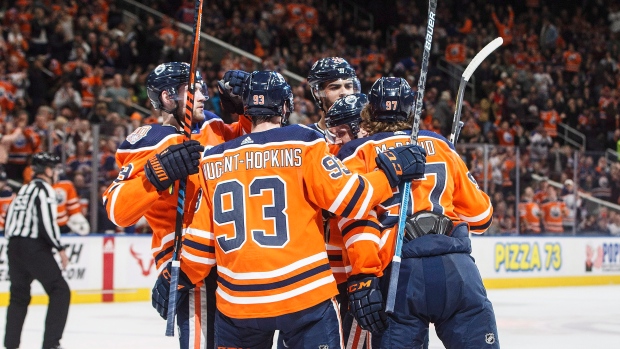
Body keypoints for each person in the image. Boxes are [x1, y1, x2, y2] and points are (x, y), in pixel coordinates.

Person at [151, 70, 426, 348]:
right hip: (304, 297)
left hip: (239, 304)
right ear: (284, 107)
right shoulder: (303, 141)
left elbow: (201, 243)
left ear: (247, 108)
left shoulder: (213, 157)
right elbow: (350, 199)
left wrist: (176, 277)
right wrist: (390, 171)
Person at [335, 77, 499, 348]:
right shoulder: (441, 145)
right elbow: (482, 217)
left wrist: (362, 277)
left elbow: (357, 219)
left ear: (370, 112)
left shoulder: (356, 153)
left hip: (399, 274)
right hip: (456, 269)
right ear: (412, 111)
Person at [103, 62, 251, 349]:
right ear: (169, 98)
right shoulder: (150, 140)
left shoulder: (215, 127)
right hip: (188, 266)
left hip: (236, 259)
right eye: (194, 90)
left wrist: (246, 107)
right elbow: (117, 210)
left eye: (204, 88)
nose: (205, 96)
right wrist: (156, 174)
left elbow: (253, 145)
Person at [4, 152, 71, 349]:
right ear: (48, 170)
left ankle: (10, 345)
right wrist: (59, 248)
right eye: (55, 169)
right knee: (60, 291)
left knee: (18, 296)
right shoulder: (45, 190)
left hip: (13, 247)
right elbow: (47, 223)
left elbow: (9, 222)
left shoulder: (23, 190)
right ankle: (51, 344)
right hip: (33, 247)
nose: (57, 173)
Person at [307, 56, 361, 149]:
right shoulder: (307, 138)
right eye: (335, 87)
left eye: (348, 86)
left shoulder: (368, 132)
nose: (344, 93)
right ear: (317, 93)